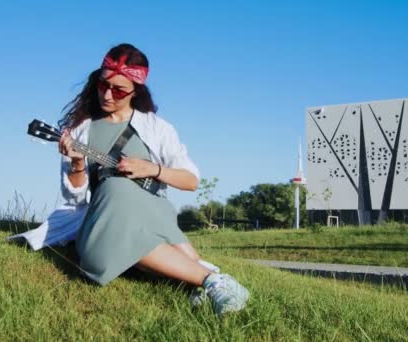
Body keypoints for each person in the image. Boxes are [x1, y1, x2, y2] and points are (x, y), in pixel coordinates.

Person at [13, 43, 249, 316]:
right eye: (103, 85)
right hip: (105, 210)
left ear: (136, 91)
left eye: (119, 90)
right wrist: (78, 162)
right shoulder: (81, 130)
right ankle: (210, 279)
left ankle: (209, 281)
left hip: (150, 210)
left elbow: (190, 181)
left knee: (119, 199)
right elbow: (74, 199)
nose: (108, 95)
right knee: (108, 205)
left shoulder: (156, 128)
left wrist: (153, 170)